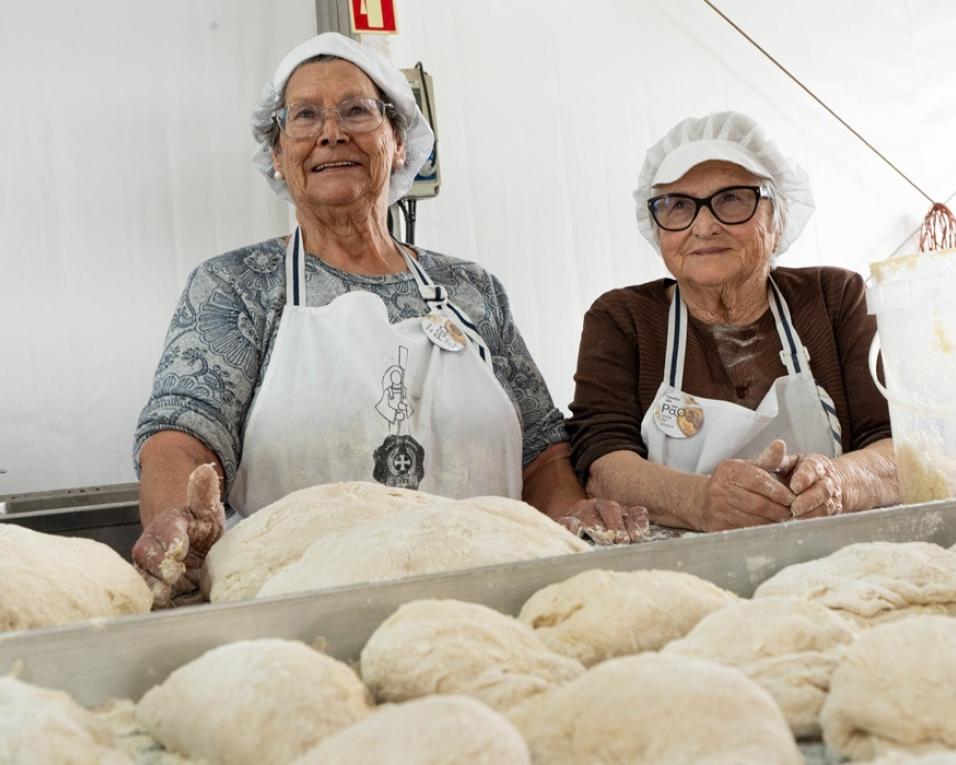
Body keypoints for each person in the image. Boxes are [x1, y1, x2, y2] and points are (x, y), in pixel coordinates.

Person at [133, 33, 646, 606]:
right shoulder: (237, 285)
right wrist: (179, 519)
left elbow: (541, 453)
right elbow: (183, 436)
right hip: (296, 604)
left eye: (357, 110)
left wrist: (573, 510)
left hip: (489, 595)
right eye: (304, 116)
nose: (331, 132)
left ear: (400, 142)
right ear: (277, 155)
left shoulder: (472, 290)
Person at [567, 111, 900, 533]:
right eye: (677, 205)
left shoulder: (834, 298)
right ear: (656, 228)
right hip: (681, 575)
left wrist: (838, 482)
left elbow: (903, 446)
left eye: (732, 199)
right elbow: (602, 462)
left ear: (776, 219)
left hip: (840, 557)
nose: (704, 226)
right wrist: (700, 501)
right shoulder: (623, 319)